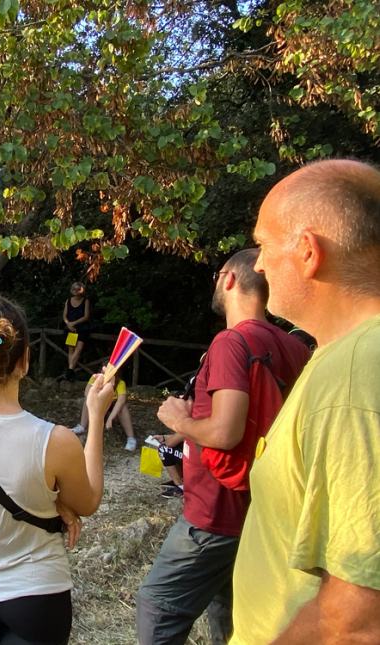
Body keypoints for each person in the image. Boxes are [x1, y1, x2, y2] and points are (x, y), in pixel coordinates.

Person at [231, 160, 380, 643]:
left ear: (308, 252)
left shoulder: (356, 375)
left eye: (265, 245)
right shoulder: (341, 354)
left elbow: (358, 619)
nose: (258, 264)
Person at [135, 248, 310, 645]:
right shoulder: (294, 348)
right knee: (231, 610)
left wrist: (178, 419)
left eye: (217, 275)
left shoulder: (231, 342)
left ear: (229, 278)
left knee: (157, 605)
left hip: (214, 511)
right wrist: (184, 435)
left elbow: (227, 432)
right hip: (264, 508)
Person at [0, 295, 115, 644]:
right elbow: (88, 501)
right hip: (37, 594)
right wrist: (97, 415)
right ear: (25, 360)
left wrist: (49, 498)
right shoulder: (54, 441)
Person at [71, 368, 137, 450]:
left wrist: (110, 418)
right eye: (102, 372)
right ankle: (82, 426)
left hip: (111, 408)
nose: (104, 374)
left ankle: (131, 438)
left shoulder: (120, 383)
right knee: (86, 401)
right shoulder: (94, 378)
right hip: (98, 405)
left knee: (123, 408)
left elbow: (121, 401)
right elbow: (87, 393)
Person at [62, 281, 92, 380]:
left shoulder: (85, 300)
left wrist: (73, 323)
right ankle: (70, 373)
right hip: (71, 329)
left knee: (78, 349)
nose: (76, 291)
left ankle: (69, 370)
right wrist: (68, 324)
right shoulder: (68, 300)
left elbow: (86, 316)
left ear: (82, 290)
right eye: (74, 289)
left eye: (78, 289)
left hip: (82, 328)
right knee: (71, 349)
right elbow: (65, 316)